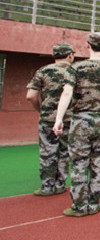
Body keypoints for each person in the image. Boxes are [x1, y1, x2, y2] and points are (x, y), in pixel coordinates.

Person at [52, 32, 100, 216]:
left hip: (81, 119)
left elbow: (66, 93)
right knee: (99, 162)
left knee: (79, 162)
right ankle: (94, 202)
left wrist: (59, 119)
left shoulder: (76, 68)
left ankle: (80, 206)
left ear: (87, 45)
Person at [26, 43, 74, 196]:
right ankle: (60, 184)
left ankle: (47, 187)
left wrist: (41, 110)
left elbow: (30, 96)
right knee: (64, 152)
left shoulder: (43, 71)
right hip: (69, 118)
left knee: (48, 152)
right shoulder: (75, 71)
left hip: (47, 118)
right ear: (70, 55)